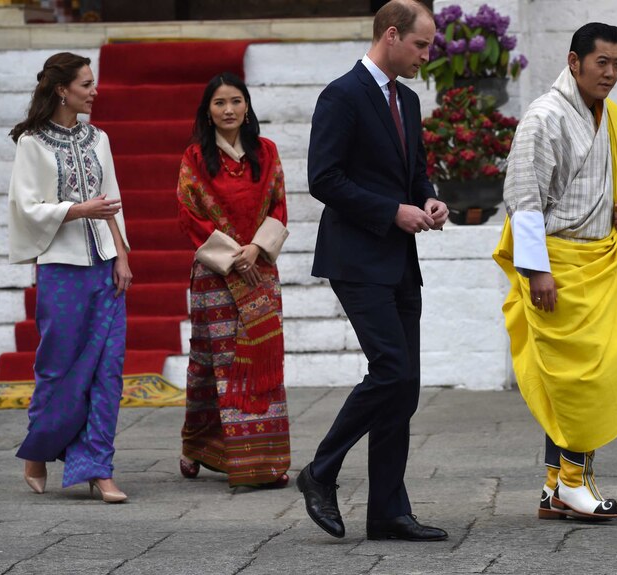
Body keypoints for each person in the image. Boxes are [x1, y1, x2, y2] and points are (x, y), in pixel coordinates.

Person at [297, 0, 450, 542]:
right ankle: (320, 471)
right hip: (357, 258)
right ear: (391, 35)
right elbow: (324, 178)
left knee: (403, 386)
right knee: (389, 369)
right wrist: (391, 212)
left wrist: (428, 200)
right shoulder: (341, 95)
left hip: (400, 261)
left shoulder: (406, 101)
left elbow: (416, 174)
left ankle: (387, 511)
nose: (426, 56)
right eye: (421, 45)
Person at [493, 23, 617, 521]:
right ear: (574, 60)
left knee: (587, 376)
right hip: (559, 264)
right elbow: (524, 200)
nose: (610, 73)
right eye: (602, 62)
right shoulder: (544, 117)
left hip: (602, 257)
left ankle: (554, 486)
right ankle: (577, 482)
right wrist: (536, 270)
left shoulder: (614, 117)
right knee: (581, 379)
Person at [8, 52, 132, 503]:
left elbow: (112, 200)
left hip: (104, 263)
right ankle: (38, 447)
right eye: (85, 84)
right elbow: (26, 208)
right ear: (62, 90)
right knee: (57, 367)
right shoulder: (32, 144)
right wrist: (79, 210)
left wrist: (121, 255)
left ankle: (99, 468)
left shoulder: (100, 138)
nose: (94, 90)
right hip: (60, 268)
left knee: (108, 370)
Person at [176, 73, 291, 490]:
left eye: (236, 101)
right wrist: (231, 256)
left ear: (247, 107)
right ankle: (197, 445)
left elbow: (279, 205)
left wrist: (256, 250)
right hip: (215, 275)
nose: (228, 110)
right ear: (208, 111)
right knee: (213, 365)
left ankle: (266, 461)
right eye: (220, 103)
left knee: (262, 364)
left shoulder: (267, 152)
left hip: (260, 270)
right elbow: (189, 214)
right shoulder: (194, 158)